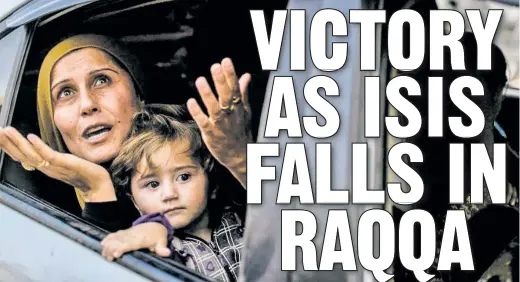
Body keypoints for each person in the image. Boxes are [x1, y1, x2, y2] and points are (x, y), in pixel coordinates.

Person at [0, 34, 252, 231]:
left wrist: (240, 160)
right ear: (51, 120)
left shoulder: (200, 158)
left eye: (101, 80)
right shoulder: (33, 219)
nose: (87, 104)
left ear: (139, 94)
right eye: (66, 93)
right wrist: (96, 189)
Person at [101, 104, 245, 282]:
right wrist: (152, 230)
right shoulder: (163, 249)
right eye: (152, 184)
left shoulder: (242, 217)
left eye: (184, 177)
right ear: (135, 201)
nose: (169, 194)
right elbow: (150, 234)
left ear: (211, 182)